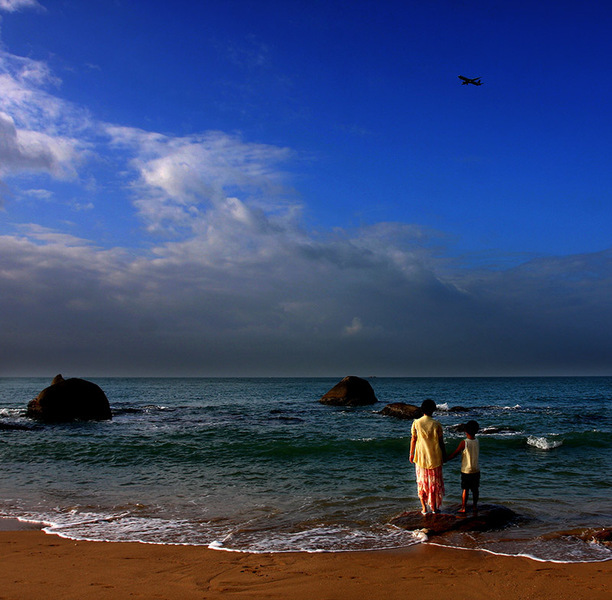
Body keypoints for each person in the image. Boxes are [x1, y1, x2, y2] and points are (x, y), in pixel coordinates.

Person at [409, 399, 447, 514]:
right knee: (434, 484)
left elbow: (413, 440)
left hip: (421, 457)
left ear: (422, 410)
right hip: (435, 457)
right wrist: (444, 455)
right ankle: (434, 508)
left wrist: (411, 454)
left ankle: (424, 508)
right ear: (433, 410)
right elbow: (441, 442)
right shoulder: (436, 424)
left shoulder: (416, 423)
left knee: (421, 482)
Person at [447, 420, 480, 514]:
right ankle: (474, 506)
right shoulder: (477, 441)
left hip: (466, 470)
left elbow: (455, 453)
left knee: (465, 489)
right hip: (476, 469)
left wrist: (446, 459)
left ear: (465, 431)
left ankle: (463, 507)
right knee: (475, 489)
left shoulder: (464, 442)